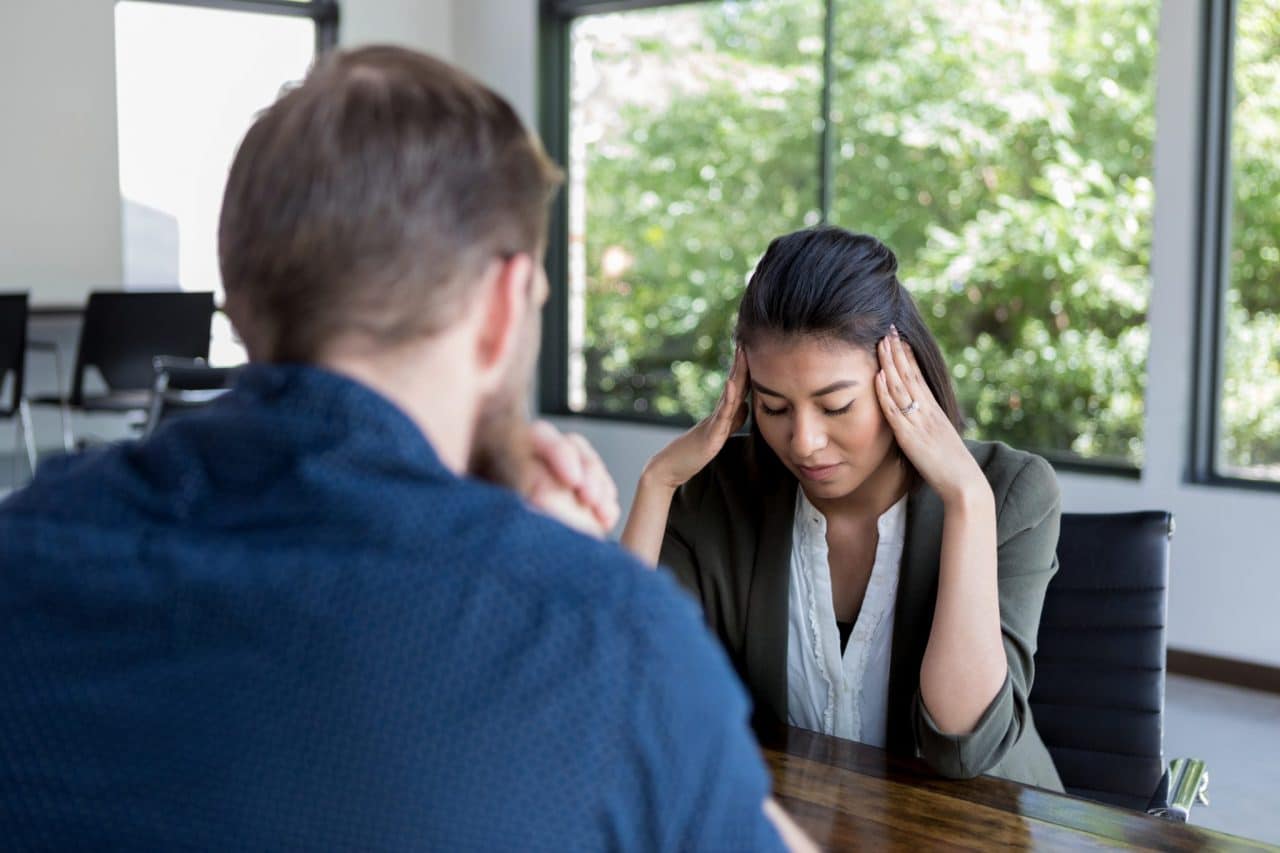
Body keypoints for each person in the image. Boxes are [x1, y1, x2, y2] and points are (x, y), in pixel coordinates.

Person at [0, 47, 813, 851]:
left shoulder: (25, 546)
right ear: (502, 308)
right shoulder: (604, 637)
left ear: (239, 296)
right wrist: (563, 569)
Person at [622, 226, 1064, 790]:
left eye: (836, 406)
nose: (803, 441)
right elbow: (628, 701)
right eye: (775, 408)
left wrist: (966, 499)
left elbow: (963, 746)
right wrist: (657, 482)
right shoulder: (714, 492)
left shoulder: (1010, 491)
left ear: (900, 378)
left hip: (980, 826)